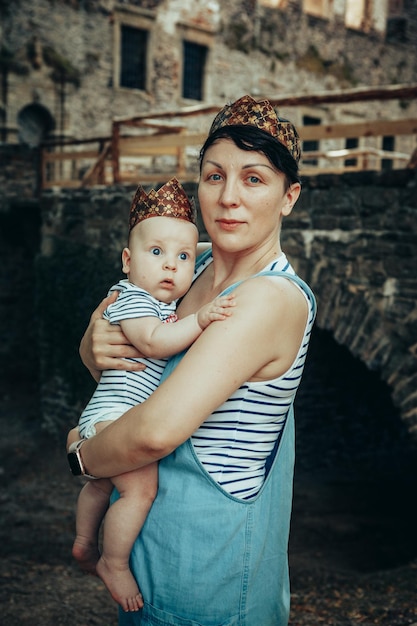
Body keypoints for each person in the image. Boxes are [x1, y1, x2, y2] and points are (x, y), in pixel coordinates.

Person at [67, 94, 317, 625]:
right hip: (144, 555)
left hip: (214, 576)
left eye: (254, 179)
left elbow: (155, 431)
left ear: (288, 196)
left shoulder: (271, 298)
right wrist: (92, 344)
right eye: (213, 176)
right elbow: (120, 359)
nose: (229, 198)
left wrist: (83, 460)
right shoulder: (186, 265)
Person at [69, 177, 235, 613]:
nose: (170, 266)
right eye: (156, 253)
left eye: (182, 257)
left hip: (111, 414)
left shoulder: (154, 299)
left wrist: (199, 250)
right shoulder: (134, 300)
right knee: (140, 489)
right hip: (115, 416)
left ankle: (85, 541)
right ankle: (114, 561)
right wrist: (200, 319)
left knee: (103, 484)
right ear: (127, 260)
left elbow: (198, 250)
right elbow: (154, 344)